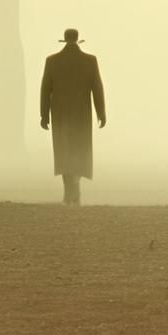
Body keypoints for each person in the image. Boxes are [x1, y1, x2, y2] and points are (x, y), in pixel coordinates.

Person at [40, 28, 106, 204]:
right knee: (80, 149)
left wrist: (44, 114)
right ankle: (75, 187)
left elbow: (45, 89)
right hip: (82, 113)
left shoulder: (52, 61)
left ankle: (68, 189)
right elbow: (97, 88)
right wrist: (101, 112)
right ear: (78, 39)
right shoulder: (90, 61)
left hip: (60, 114)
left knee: (64, 150)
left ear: (64, 39)